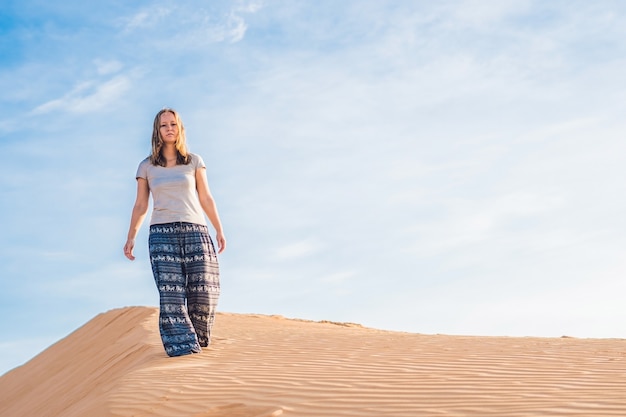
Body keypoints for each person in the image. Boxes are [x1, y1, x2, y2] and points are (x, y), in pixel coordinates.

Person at [123, 108, 226, 357]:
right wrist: (130, 237)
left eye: (173, 124)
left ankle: (198, 341)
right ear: (157, 131)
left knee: (204, 292)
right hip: (162, 233)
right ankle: (183, 349)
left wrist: (218, 229)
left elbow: (206, 197)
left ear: (180, 129)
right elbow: (140, 205)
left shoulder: (194, 161)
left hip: (196, 229)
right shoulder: (146, 166)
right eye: (163, 125)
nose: (169, 128)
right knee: (172, 294)